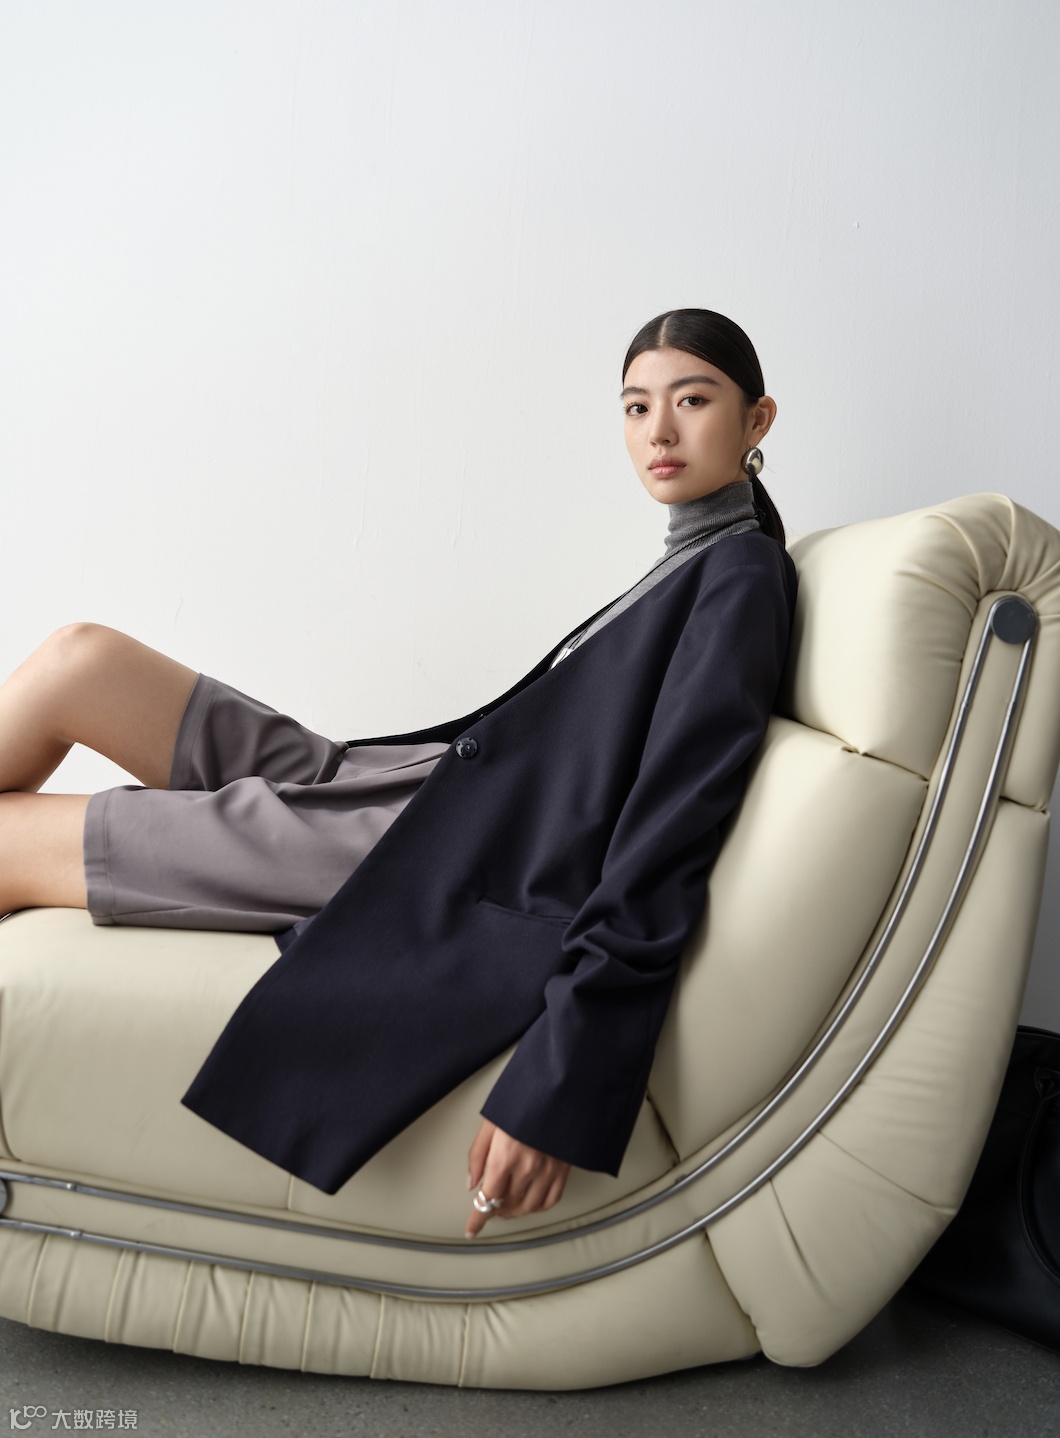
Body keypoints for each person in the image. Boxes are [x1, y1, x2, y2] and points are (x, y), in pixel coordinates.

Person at [0, 309, 796, 1240]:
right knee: (81, 660)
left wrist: (564, 1076)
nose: (658, 432)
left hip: (416, 851)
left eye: (692, 401)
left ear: (756, 420)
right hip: (400, 781)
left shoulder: (742, 579)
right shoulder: (690, 559)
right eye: (636, 406)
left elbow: (667, 835)